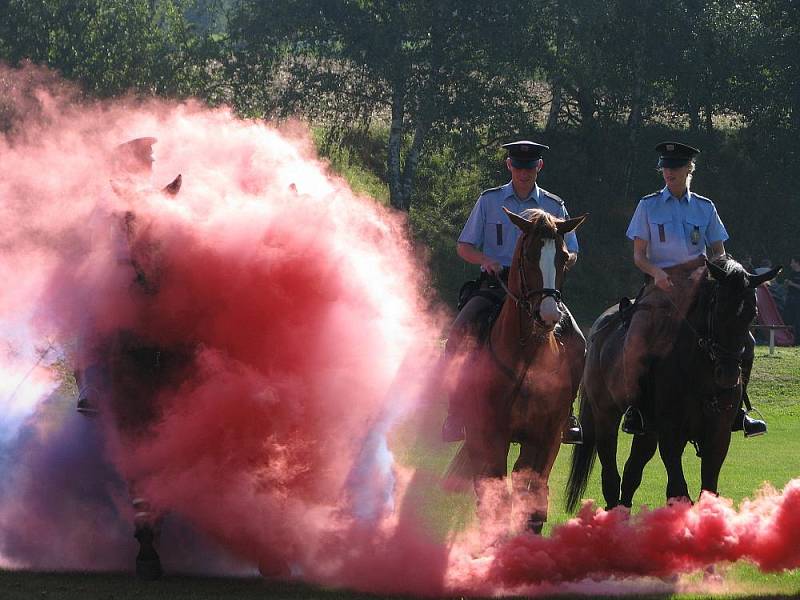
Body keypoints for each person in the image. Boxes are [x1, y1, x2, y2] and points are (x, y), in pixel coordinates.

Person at [441, 140, 584, 444]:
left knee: (579, 342)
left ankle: (568, 413)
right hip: (497, 285)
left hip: (540, 289)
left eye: (529, 167)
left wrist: (559, 264)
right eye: (518, 167)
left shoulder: (554, 205)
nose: (523, 172)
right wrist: (485, 260)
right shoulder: (489, 200)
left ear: (539, 167)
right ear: (509, 165)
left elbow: (572, 250)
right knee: (458, 333)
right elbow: (464, 246)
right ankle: (455, 412)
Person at [620, 141, 766, 438]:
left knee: (746, 341)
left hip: (701, 286)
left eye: (674, 167)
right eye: (665, 167)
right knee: (635, 336)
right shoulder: (648, 205)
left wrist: (722, 273)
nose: (668, 172)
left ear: (689, 169)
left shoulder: (705, 207)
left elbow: (718, 251)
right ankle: (636, 408)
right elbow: (639, 255)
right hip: (660, 286)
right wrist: (656, 273)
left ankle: (740, 408)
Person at [784, 257, 800, 345]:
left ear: (797, 263)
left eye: (792, 262)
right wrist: (786, 284)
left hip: (798, 300)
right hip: (790, 299)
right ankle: (789, 339)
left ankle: (797, 341)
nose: (790, 264)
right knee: (788, 319)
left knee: (798, 321)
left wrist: (792, 284)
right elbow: (787, 287)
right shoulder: (792, 273)